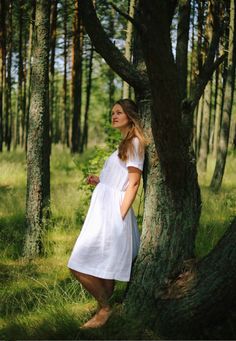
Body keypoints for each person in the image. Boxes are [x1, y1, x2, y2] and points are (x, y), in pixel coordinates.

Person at [67, 98, 148, 329]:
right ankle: (104, 310)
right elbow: (120, 179)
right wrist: (101, 181)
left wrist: (118, 215)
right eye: (112, 112)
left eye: (119, 112)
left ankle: (104, 308)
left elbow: (133, 183)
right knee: (104, 267)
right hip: (104, 211)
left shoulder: (134, 143)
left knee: (77, 264)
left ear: (130, 116)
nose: (114, 116)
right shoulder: (124, 143)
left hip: (113, 214)